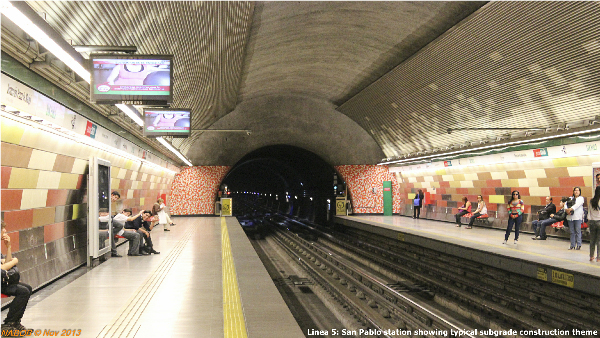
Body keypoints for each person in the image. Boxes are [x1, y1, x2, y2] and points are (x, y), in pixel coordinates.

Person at [1, 221, 32, 333]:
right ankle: (8, 324)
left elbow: (6, 264)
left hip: (3, 281)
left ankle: (15, 322)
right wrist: (14, 261)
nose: (5, 231)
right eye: (2, 229)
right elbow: (2, 269)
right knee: (23, 291)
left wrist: (8, 247)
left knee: (27, 288)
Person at [588, 187, 600, 262]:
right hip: (599, 221)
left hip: (592, 222)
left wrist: (589, 221)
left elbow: (589, 212)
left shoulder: (591, 201)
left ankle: (591, 256)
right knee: (599, 240)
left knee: (592, 240)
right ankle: (598, 257)